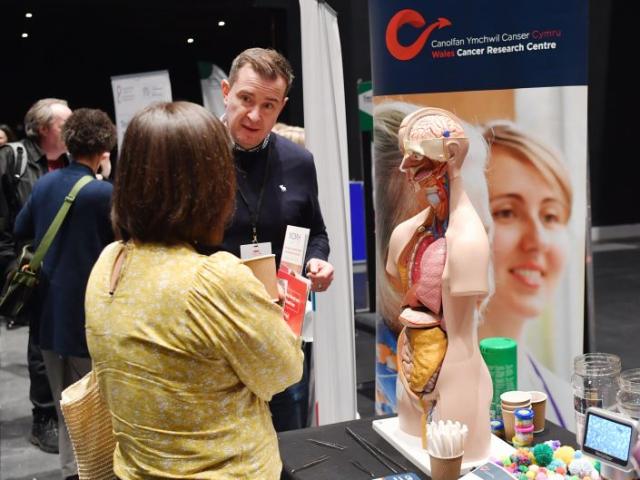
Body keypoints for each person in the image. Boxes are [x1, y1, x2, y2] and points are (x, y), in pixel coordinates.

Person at [85, 101, 302, 478]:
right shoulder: (214, 280)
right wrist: (272, 313)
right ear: (211, 181)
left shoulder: (109, 262)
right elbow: (282, 373)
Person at [220, 47, 333, 431]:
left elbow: (316, 231)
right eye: (245, 99)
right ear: (226, 91)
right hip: (217, 334)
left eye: (268, 105)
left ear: (281, 107)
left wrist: (318, 260)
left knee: (289, 442)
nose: (254, 115)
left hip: (282, 332)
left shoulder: (299, 162)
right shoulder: (197, 156)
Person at [14, 108, 116, 480]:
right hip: (88, 321)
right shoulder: (104, 194)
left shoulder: (43, 185)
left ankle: (70, 471)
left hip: (46, 318)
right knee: (95, 414)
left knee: (65, 410)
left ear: (69, 143)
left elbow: (21, 227)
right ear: (106, 146)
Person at [479, 120, 573, 427]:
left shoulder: (562, 401)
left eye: (550, 215)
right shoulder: (424, 385)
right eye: (506, 212)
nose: (538, 241)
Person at [0, 98, 72, 453]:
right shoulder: (12, 160)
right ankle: (43, 416)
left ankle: (73, 414)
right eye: (65, 123)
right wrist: (10, 266)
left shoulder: (75, 160)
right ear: (44, 129)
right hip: (30, 265)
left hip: (72, 265)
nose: (72, 130)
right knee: (40, 342)